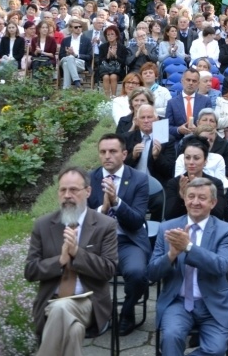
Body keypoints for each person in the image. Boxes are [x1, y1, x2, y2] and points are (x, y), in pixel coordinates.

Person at [24, 167, 118, 355]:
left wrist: (77, 253)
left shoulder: (104, 225)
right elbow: (30, 271)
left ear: (88, 192)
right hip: (51, 300)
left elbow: (109, 269)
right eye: (62, 190)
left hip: (89, 301)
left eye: (74, 190)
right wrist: (60, 260)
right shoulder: (43, 225)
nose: (67, 195)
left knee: (61, 309)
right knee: (73, 329)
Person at [148, 177, 228, 356]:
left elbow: (221, 266)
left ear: (213, 202)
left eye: (202, 198)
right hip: (178, 302)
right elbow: (151, 273)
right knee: (171, 338)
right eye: (191, 196)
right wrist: (172, 254)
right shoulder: (167, 227)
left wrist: (188, 247)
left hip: (212, 303)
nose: (195, 202)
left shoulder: (226, 231)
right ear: (185, 199)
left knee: (217, 350)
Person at [86, 134, 150, 336]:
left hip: (127, 240)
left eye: (113, 151)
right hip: (96, 241)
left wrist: (116, 203)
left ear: (124, 154)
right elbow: (82, 221)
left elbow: (137, 220)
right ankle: (99, 313)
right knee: (75, 267)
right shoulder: (88, 179)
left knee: (138, 273)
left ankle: (128, 311)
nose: (107, 156)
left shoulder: (139, 179)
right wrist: (103, 209)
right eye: (103, 152)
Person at [165, 68, 210, 140]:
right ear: (182, 81)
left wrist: (198, 130)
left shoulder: (206, 101)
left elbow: (209, 126)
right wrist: (178, 130)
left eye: (194, 81)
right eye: (188, 80)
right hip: (178, 142)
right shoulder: (172, 103)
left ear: (198, 84)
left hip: (199, 140)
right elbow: (167, 127)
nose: (191, 83)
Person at [59, 18, 93, 89]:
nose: (78, 28)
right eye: (76, 27)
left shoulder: (86, 40)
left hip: (80, 63)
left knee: (67, 63)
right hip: (67, 60)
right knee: (68, 60)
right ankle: (77, 81)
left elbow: (90, 57)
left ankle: (66, 89)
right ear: (71, 29)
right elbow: (61, 56)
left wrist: (75, 55)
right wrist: (67, 54)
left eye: (80, 27)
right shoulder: (65, 40)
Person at [97, 25, 127, 98]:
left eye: (112, 34)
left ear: (116, 35)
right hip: (105, 69)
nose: (110, 36)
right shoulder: (102, 47)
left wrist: (115, 56)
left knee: (113, 77)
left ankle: (113, 96)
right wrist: (107, 56)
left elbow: (124, 62)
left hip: (118, 70)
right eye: (108, 35)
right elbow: (99, 61)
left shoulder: (122, 47)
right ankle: (107, 98)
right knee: (106, 77)